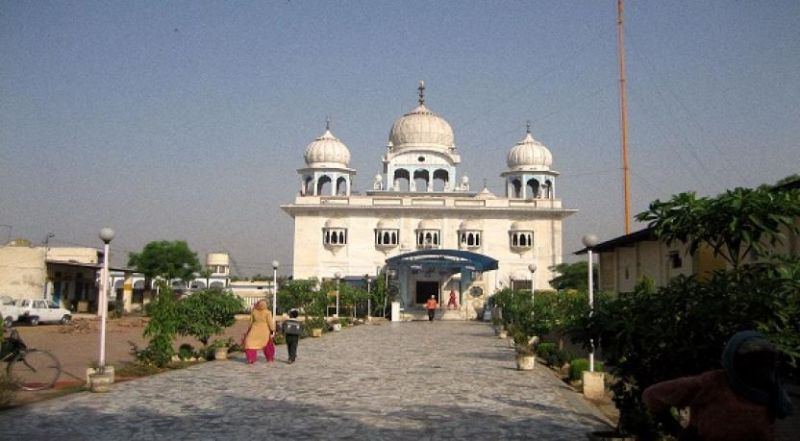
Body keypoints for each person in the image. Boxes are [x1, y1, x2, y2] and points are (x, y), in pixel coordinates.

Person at [642, 330, 793, 441]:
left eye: (766, 361)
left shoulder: (771, 389)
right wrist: (677, 430)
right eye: (753, 361)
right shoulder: (712, 383)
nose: (760, 368)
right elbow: (652, 395)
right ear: (734, 360)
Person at [242, 300, 275, 365]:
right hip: (264, 331)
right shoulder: (267, 312)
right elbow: (270, 323)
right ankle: (269, 358)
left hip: (255, 330)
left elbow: (250, 322)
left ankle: (251, 358)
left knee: (250, 344)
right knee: (267, 344)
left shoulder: (255, 312)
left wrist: (249, 329)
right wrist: (272, 330)